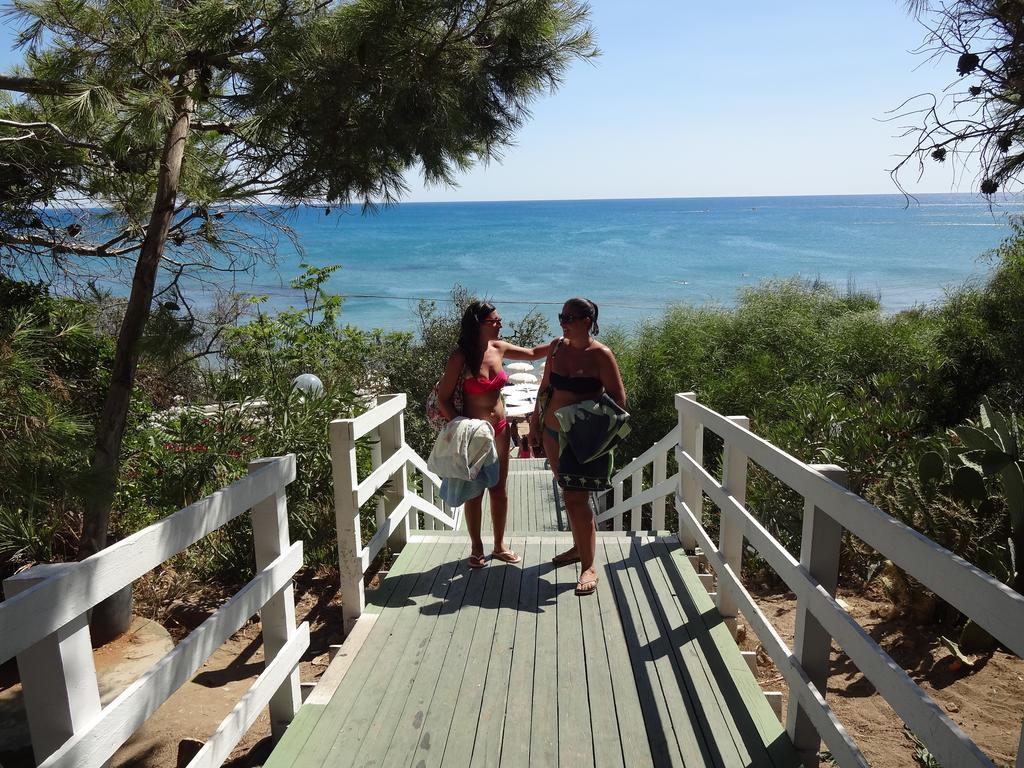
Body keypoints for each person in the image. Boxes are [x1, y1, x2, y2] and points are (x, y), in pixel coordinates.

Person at [437, 301, 550, 568]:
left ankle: (499, 546)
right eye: (494, 321)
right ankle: (476, 548)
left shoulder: (499, 348)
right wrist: (462, 427)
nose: (500, 325)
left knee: (499, 489)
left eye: (499, 320)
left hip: (500, 430)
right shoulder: (460, 358)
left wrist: (560, 342)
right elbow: (443, 399)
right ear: (478, 325)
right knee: (474, 491)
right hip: (475, 435)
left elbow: (533, 353)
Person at [529, 298, 627, 596]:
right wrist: (535, 425)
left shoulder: (601, 355)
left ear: (588, 320)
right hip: (552, 432)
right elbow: (545, 387)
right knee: (568, 492)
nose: (563, 322)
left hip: (582, 439)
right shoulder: (557, 347)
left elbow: (618, 401)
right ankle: (578, 547)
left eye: (569, 317)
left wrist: (589, 425)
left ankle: (589, 565)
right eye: (561, 316)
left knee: (575, 499)